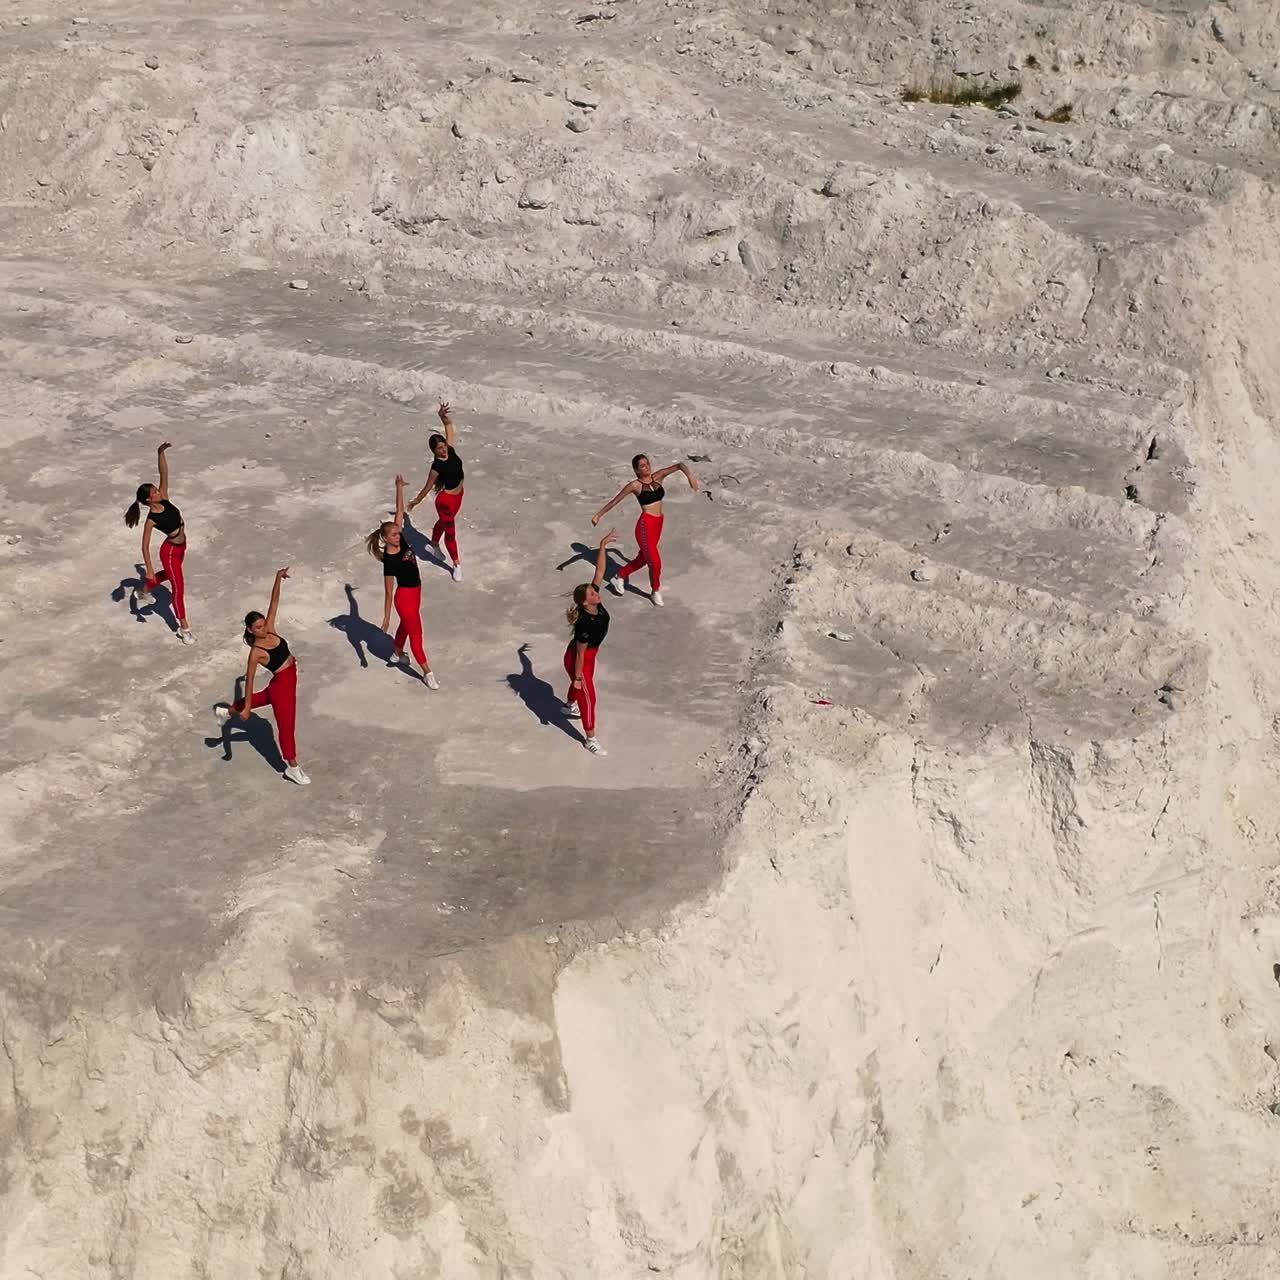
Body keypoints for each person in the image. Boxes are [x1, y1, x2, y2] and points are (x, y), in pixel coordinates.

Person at [218, 567, 310, 785]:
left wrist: (278, 577)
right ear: (250, 630)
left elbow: (274, 601)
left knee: (263, 697)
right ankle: (292, 767)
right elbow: (249, 680)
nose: (263, 628)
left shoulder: (271, 629)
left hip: (285, 681)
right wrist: (248, 708)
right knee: (286, 727)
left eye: (264, 624)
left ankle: (228, 710)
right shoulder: (256, 653)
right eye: (258, 627)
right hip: (282, 688)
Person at [591, 453, 698, 606]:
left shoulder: (658, 476)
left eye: (647, 463)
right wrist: (598, 515)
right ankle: (655, 591)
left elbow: (679, 465)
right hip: (645, 526)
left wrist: (690, 477)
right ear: (636, 470)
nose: (646, 466)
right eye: (642, 466)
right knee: (655, 562)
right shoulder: (635, 485)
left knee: (644, 558)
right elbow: (615, 500)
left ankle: (619, 576)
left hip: (658, 523)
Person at [367, 475, 440, 689]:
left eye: (398, 533)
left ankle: (397, 652)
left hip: (416, 593)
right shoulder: (389, 561)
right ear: (386, 539)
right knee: (416, 634)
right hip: (404, 597)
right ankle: (428, 673)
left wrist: (399, 488)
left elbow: (399, 512)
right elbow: (389, 592)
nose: (398, 536)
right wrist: (386, 617)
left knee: (407, 627)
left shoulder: (402, 538)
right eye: (394, 535)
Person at [123, 441, 194, 642]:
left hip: (181, 547)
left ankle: (144, 590)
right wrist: (150, 568)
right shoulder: (151, 520)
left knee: (170, 575)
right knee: (178, 588)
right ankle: (184, 628)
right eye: (154, 492)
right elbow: (144, 546)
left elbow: (164, 474)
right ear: (148, 501)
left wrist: (160, 452)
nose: (158, 492)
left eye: (156, 489)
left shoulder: (164, 498)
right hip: (170, 551)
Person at [564, 531, 617, 756]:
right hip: (579, 659)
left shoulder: (592, 601)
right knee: (588, 696)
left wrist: (602, 545)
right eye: (592, 594)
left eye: (595, 591)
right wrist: (577, 678)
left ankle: (568, 704)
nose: (596, 593)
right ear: (586, 602)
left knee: (582, 691)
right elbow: (579, 654)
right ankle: (590, 738)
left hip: (589, 656)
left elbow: (600, 571)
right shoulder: (585, 623)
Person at [409, 401, 465, 582]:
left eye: (443, 446)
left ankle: (433, 544)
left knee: (443, 523)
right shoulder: (436, 467)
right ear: (433, 451)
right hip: (446, 502)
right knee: (450, 533)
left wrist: (441, 415)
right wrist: (416, 501)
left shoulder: (450, 449)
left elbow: (448, 426)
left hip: (459, 496)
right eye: (439, 449)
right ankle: (456, 565)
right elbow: (427, 487)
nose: (443, 449)